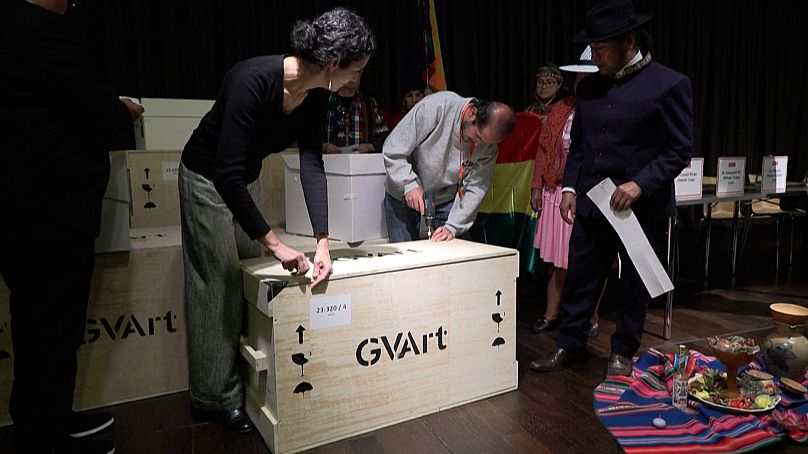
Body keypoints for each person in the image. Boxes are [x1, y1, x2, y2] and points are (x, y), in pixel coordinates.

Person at [178, 7, 375, 432]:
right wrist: (277, 242)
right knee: (221, 280)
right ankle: (214, 396)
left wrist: (322, 240)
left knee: (255, 268)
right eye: (354, 71)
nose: (354, 81)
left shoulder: (317, 93)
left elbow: (311, 163)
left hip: (237, 182)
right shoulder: (252, 80)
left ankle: (250, 376)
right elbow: (225, 174)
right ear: (333, 63)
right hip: (205, 179)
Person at [0, 1, 144, 453]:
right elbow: (96, 111)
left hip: (17, 207)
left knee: (34, 325)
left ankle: (45, 420)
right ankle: (44, 436)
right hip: (51, 212)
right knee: (52, 330)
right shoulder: (43, 31)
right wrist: (122, 110)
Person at [530, 0, 693, 377]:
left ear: (629, 40)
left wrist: (641, 184)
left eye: (601, 49)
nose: (595, 57)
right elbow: (581, 145)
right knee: (582, 275)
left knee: (633, 283)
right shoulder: (590, 88)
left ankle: (622, 351)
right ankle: (568, 342)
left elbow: (679, 149)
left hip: (641, 207)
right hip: (592, 201)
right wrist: (570, 187)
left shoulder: (669, 84)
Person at [530, 47, 603, 338]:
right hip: (558, 191)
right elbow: (544, 149)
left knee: (588, 261)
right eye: (578, 77)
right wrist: (537, 185)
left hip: (591, 193)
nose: (581, 82)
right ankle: (552, 312)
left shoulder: (605, 107)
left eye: (588, 77)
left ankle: (591, 317)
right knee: (556, 261)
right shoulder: (561, 109)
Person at [383, 92, 516, 242]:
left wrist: (453, 226)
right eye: (478, 136)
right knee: (404, 257)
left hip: (444, 196)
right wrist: (408, 184)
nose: (478, 145)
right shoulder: (438, 106)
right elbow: (393, 148)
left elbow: (476, 188)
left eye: (486, 142)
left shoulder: (489, 148)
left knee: (454, 252)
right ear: (473, 113)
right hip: (402, 191)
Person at [322, 67, 389, 154]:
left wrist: (371, 146)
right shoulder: (324, 102)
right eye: (349, 72)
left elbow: (384, 138)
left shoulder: (369, 104)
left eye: (357, 73)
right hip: (328, 163)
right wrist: (323, 147)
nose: (353, 77)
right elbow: (308, 137)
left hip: (361, 163)